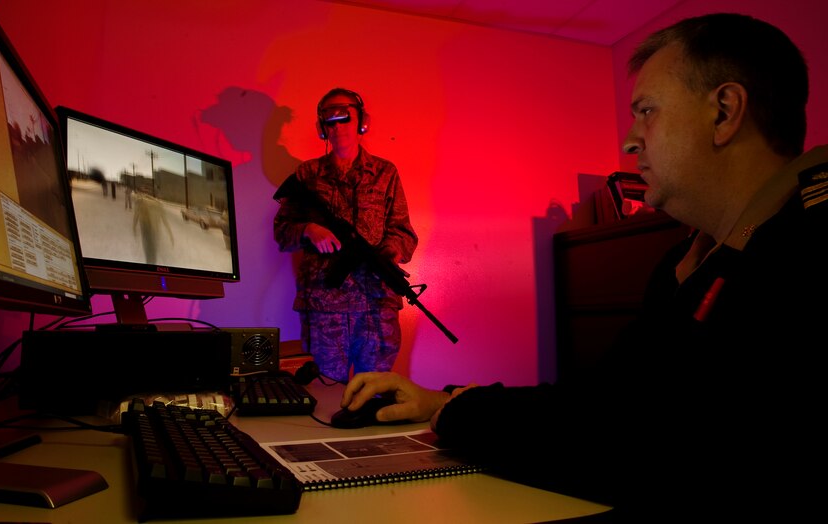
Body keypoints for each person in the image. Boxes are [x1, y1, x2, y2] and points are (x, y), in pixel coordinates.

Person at [339, 13, 827, 522]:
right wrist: (442, 398)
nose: (630, 141)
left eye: (647, 111)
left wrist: (467, 415)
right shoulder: (685, 263)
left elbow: (646, 448)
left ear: (724, 112)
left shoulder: (805, 249)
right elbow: (602, 402)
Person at [273, 88, 418, 384]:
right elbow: (282, 232)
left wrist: (388, 254)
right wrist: (309, 230)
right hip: (324, 310)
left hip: (376, 307)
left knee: (374, 396)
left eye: (345, 118)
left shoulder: (385, 173)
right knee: (324, 396)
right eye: (330, 121)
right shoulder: (307, 175)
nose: (338, 127)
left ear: (361, 122)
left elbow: (403, 231)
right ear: (321, 128)